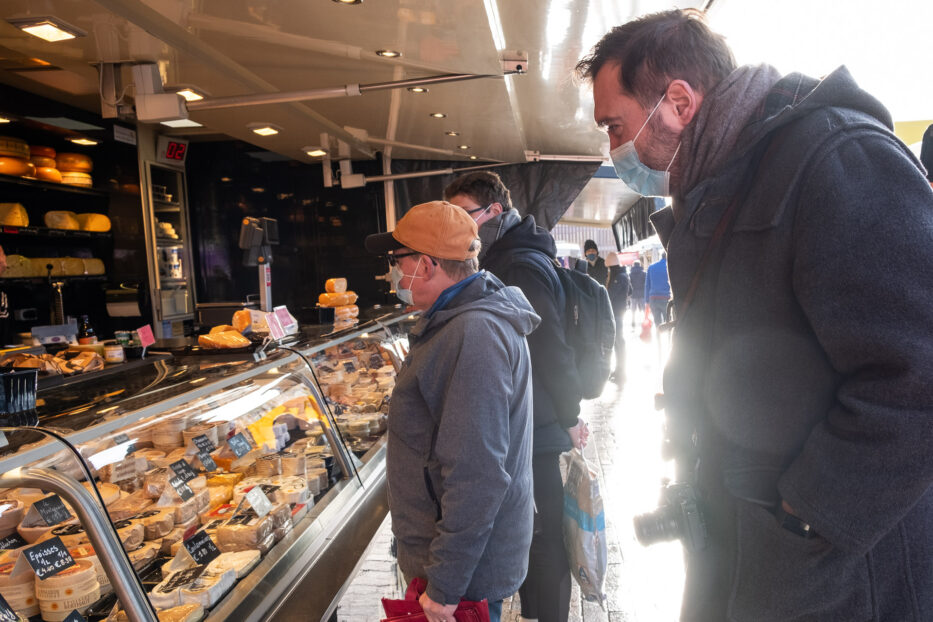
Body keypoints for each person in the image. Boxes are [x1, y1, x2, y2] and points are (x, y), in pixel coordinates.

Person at [577, 9, 933, 621]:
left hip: (834, 575)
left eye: (615, 126)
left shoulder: (834, 158)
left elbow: (918, 373)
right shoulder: (727, 184)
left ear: (679, 102)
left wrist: (806, 514)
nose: (614, 149)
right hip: (747, 552)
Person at [364, 201, 539, 622]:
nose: (392, 272)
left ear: (425, 266)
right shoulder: (459, 320)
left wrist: (444, 587)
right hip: (460, 564)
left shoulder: (473, 334)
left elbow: (476, 474)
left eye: (396, 260)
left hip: (464, 578)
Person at [443, 171, 588, 622]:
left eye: (463, 215)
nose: (457, 226)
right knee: (532, 533)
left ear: (494, 214)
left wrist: (570, 414)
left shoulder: (518, 264)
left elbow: (551, 347)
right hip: (529, 418)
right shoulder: (506, 258)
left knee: (541, 538)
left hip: (538, 425)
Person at [604, 253, 630, 383]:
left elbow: (610, 295)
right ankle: (619, 370)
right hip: (619, 313)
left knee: (619, 343)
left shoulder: (619, 277)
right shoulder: (623, 275)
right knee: (618, 343)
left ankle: (621, 371)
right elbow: (630, 291)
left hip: (617, 314)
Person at [644, 253, 671, 327]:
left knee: (657, 324)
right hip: (666, 298)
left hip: (653, 298)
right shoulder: (669, 266)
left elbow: (647, 285)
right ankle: (669, 337)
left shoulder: (651, 267)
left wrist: (646, 301)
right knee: (669, 322)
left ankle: (658, 338)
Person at [628, 259, 646, 327]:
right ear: (640, 265)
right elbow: (646, 283)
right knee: (643, 309)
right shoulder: (644, 273)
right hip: (642, 293)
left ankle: (633, 321)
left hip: (633, 294)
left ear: (633, 265)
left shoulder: (630, 274)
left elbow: (629, 284)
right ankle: (645, 321)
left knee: (633, 310)